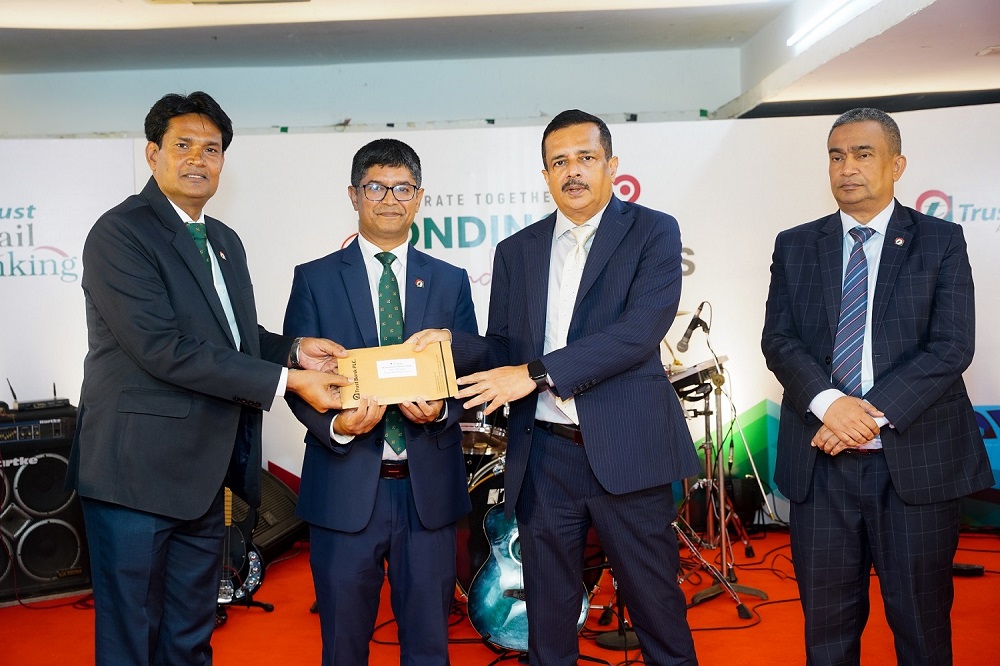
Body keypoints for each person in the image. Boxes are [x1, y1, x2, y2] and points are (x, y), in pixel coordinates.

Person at [68, 91, 350, 666]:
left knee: (190, 637)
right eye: (184, 146)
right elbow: (164, 349)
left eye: (212, 149)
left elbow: (234, 339)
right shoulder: (120, 234)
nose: (199, 159)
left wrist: (295, 350)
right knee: (130, 642)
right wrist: (288, 381)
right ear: (153, 154)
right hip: (134, 478)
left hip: (204, 479)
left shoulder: (223, 240)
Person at [411, 109, 701, 665]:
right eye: (559, 162)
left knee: (657, 610)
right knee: (546, 621)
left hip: (628, 452)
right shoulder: (516, 250)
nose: (573, 171)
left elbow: (638, 333)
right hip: (544, 458)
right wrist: (451, 343)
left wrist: (535, 374)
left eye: (585, 158)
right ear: (545, 175)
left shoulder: (653, 231)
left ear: (611, 165)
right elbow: (503, 347)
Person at [761, 107, 994, 666]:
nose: (847, 168)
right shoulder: (796, 245)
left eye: (863, 154)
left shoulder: (940, 240)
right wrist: (830, 406)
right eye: (836, 156)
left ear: (897, 164)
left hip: (914, 464)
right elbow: (779, 340)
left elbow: (951, 346)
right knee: (827, 634)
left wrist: (863, 416)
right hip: (821, 469)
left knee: (921, 629)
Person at [283, 138, 478, 665]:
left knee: (429, 648)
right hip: (343, 489)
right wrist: (337, 426)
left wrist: (442, 412)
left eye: (402, 188)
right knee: (343, 647)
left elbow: (466, 373)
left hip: (427, 494)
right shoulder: (315, 279)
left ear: (419, 197)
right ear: (354, 195)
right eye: (376, 187)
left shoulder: (450, 281)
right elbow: (298, 380)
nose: (390, 199)